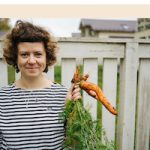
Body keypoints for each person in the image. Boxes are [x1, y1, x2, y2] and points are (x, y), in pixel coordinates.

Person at [0, 20, 81, 150]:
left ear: (47, 57)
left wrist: (70, 109)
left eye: (38, 54)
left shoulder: (63, 95)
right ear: (15, 58)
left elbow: (73, 141)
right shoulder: (2, 98)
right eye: (24, 54)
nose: (32, 61)